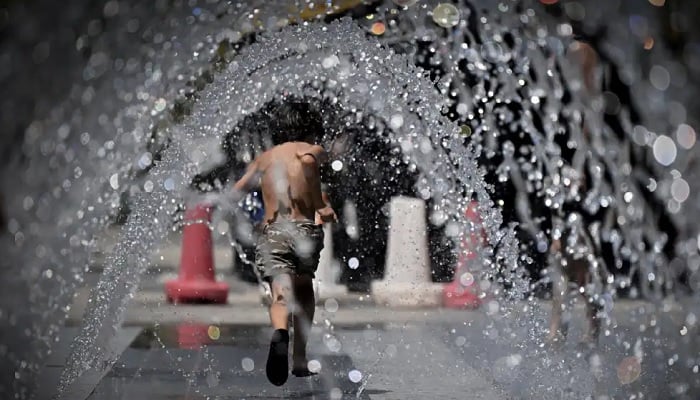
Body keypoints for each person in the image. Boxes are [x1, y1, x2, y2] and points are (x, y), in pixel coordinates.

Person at [229, 137, 337, 386]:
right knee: (303, 290)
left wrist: (255, 209)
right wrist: (321, 206)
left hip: (273, 231)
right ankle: (298, 360)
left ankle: (280, 331)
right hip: (304, 231)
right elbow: (309, 163)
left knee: (280, 291)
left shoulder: (266, 158)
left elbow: (237, 190)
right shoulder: (309, 150)